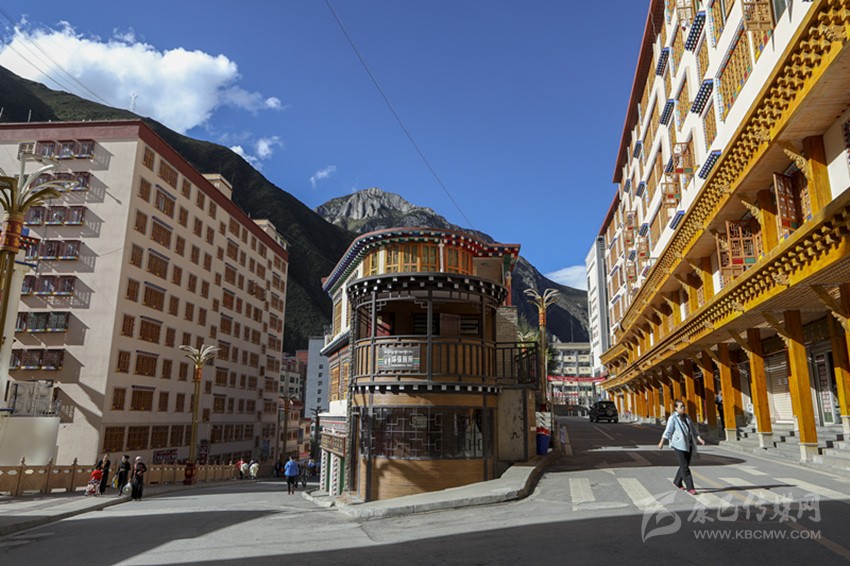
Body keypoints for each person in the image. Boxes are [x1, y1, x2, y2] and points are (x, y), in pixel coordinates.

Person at [658, 399, 705, 495]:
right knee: (685, 467)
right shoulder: (673, 418)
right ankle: (690, 487)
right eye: (681, 407)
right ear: (676, 408)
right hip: (679, 444)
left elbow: (693, 429)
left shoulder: (687, 417)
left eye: (684, 406)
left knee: (685, 465)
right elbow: (668, 431)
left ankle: (677, 482)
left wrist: (699, 438)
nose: (683, 408)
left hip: (688, 444)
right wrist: (661, 442)